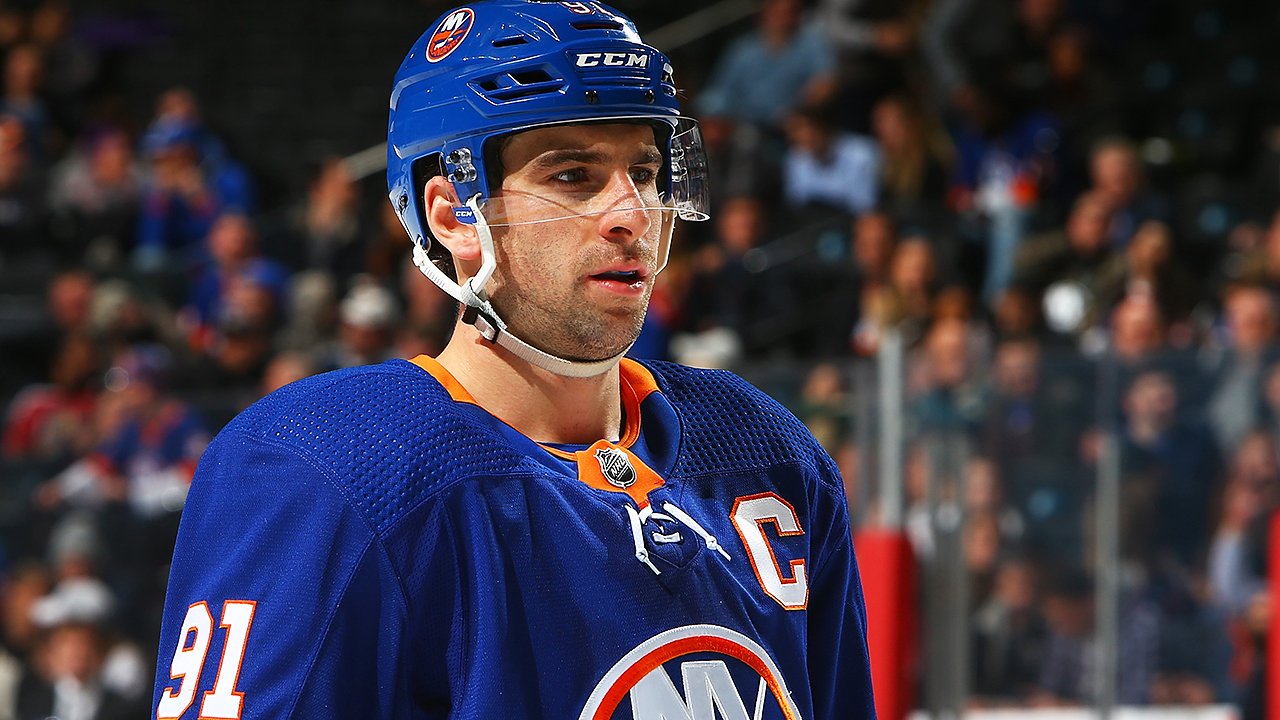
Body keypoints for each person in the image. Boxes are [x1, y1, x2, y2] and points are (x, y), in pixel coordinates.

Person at [151, 3, 874, 720]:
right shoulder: (330, 470)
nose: (632, 213)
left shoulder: (768, 454)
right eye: (574, 176)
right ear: (452, 216)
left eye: (646, 172)